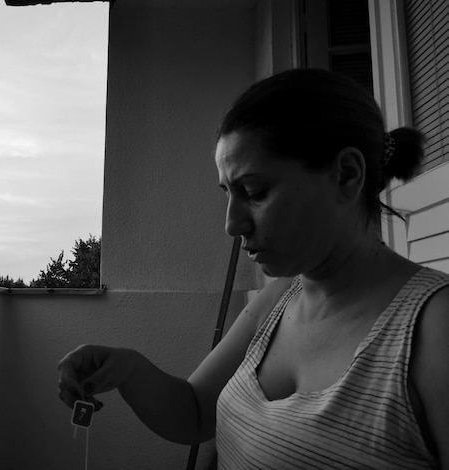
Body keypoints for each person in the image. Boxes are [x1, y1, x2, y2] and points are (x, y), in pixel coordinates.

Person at [57, 69, 449, 469]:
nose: (231, 224)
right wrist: (128, 368)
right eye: (228, 193)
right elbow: (195, 413)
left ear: (346, 175)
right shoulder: (279, 298)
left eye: (255, 192)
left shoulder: (434, 328)